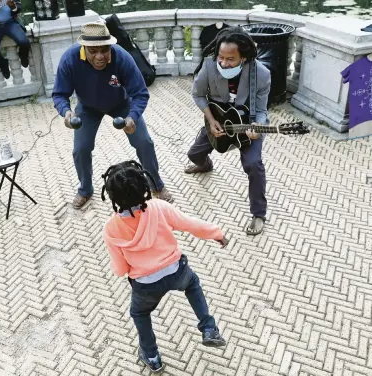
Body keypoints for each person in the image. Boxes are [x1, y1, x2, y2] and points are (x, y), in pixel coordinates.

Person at [101, 160, 228, 372]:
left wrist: (125, 270)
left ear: (112, 196)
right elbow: (190, 224)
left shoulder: (111, 228)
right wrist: (216, 233)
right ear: (144, 187)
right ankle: (209, 329)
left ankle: (152, 357)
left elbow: (120, 269)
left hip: (145, 284)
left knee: (140, 314)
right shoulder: (158, 207)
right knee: (192, 284)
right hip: (176, 270)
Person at [52, 21, 173, 209]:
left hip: (121, 105)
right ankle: (85, 189)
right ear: (84, 48)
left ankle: (156, 184)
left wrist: (132, 117)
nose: (100, 56)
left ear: (110, 46)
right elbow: (59, 94)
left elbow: (140, 93)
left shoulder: (122, 57)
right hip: (88, 107)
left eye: (104, 50)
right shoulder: (70, 59)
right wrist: (66, 112)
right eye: (93, 52)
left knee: (144, 142)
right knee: (80, 149)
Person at [185, 27, 271, 235]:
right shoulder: (209, 66)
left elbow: (261, 111)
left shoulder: (261, 74)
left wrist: (257, 129)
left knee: (254, 165)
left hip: (247, 126)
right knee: (193, 154)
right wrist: (211, 119)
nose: (224, 63)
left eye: (231, 59)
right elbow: (198, 95)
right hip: (218, 122)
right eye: (221, 57)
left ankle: (258, 214)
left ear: (244, 57)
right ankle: (205, 165)